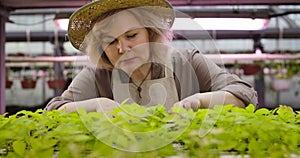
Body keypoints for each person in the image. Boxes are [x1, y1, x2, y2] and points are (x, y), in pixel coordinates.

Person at [45, 0, 258, 113]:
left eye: (131, 35)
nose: (122, 48)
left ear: (151, 33)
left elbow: (243, 94)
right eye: (110, 41)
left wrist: (199, 101)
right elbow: (53, 111)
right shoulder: (96, 75)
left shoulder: (186, 62)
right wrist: (93, 105)